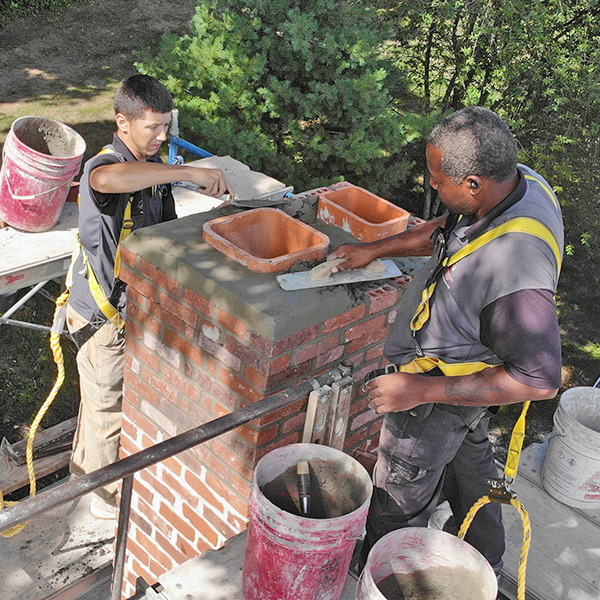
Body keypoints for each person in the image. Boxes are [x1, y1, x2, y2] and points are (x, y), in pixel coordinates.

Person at [330, 106, 563, 572]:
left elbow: (540, 381)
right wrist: (375, 248)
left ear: (474, 181)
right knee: (472, 473)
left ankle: (383, 572)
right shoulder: (518, 185)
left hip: (435, 399)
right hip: (467, 392)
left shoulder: (515, 269)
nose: (433, 185)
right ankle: (486, 564)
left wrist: (419, 389)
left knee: (400, 491)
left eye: (439, 180)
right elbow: (448, 231)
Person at [66, 74, 233, 519]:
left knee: (107, 405)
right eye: (153, 128)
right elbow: (106, 179)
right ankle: (99, 506)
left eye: (166, 127)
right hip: (103, 319)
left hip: (132, 311)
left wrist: (221, 223)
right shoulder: (109, 166)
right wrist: (189, 171)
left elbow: (164, 235)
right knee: (107, 408)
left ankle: (83, 476)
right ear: (123, 122)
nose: (163, 136)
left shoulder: (154, 175)